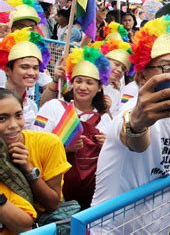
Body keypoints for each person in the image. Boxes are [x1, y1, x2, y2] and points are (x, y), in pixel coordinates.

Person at [91, 14, 170, 233]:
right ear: (142, 78)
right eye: (166, 68)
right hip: (112, 229)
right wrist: (138, 124)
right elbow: (134, 135)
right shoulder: (130, 110)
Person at [33, 46, 112, 209]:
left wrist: (109, 146)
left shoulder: (105, 119)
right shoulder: (54, 107)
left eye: (89, 82)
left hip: (92, 198)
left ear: (99, 88)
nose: (83, 87)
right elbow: (36, 146)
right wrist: (63, 147)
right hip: (57, 193)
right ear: (71, 83)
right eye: (78, 81)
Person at [0, 88, 71, 221]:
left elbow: (52, 205)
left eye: (18, 115)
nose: (13, 125)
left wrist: (29, 169)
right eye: (2, 118)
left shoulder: (49, 143)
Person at [0, 28, 51, 129]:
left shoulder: (31, 106)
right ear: (8, 70)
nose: (31, 73)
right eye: (24, 67)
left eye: (35, 68)